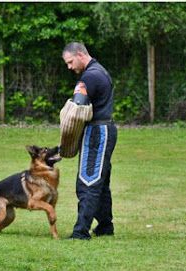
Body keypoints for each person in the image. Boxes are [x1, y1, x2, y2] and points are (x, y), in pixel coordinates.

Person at [62, 42, 117, 240]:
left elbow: (76, 109)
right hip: (106, 129)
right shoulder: (100, 70)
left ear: (79, 55)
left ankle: (81, 231)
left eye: (70, 62)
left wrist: (67, 138)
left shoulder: (89, 77)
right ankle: (104, 226)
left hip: (97, 132)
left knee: (88, 181)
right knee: (101, 183)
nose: (69, 67)